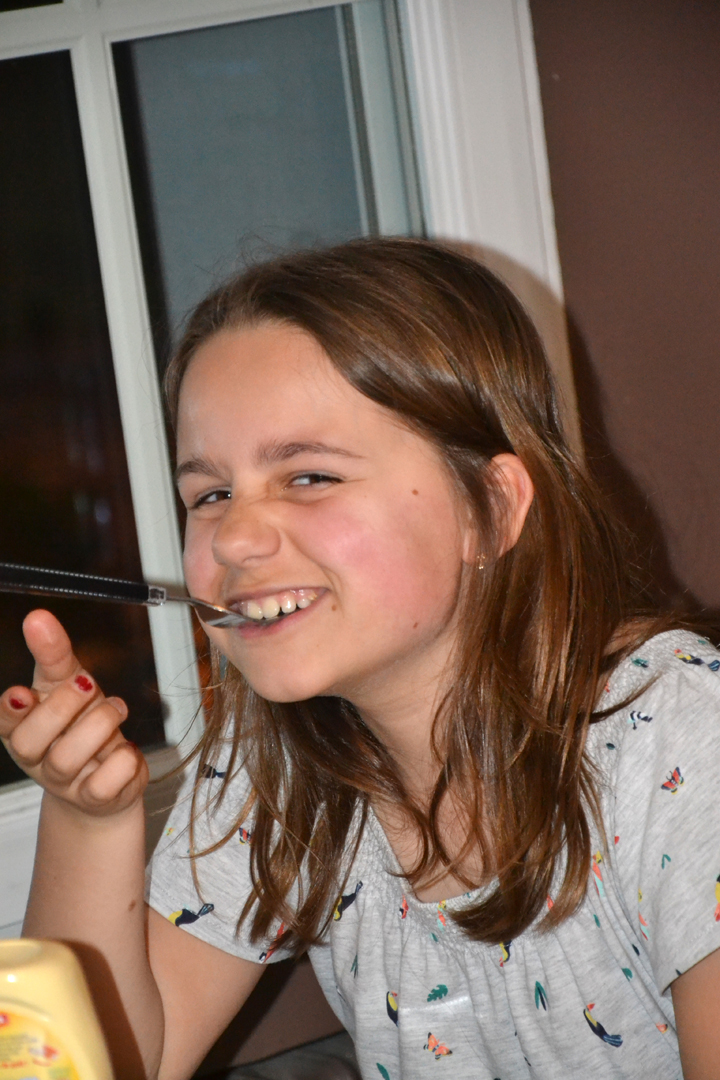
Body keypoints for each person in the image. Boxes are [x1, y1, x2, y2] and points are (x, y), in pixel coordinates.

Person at [1, 238, 719, 1080]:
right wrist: (87, 821)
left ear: (489, 511)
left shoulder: (681, 739)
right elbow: (109, 1066)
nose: (233, 537)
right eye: (210, 494)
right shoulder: (275, 769)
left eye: (308, 477)